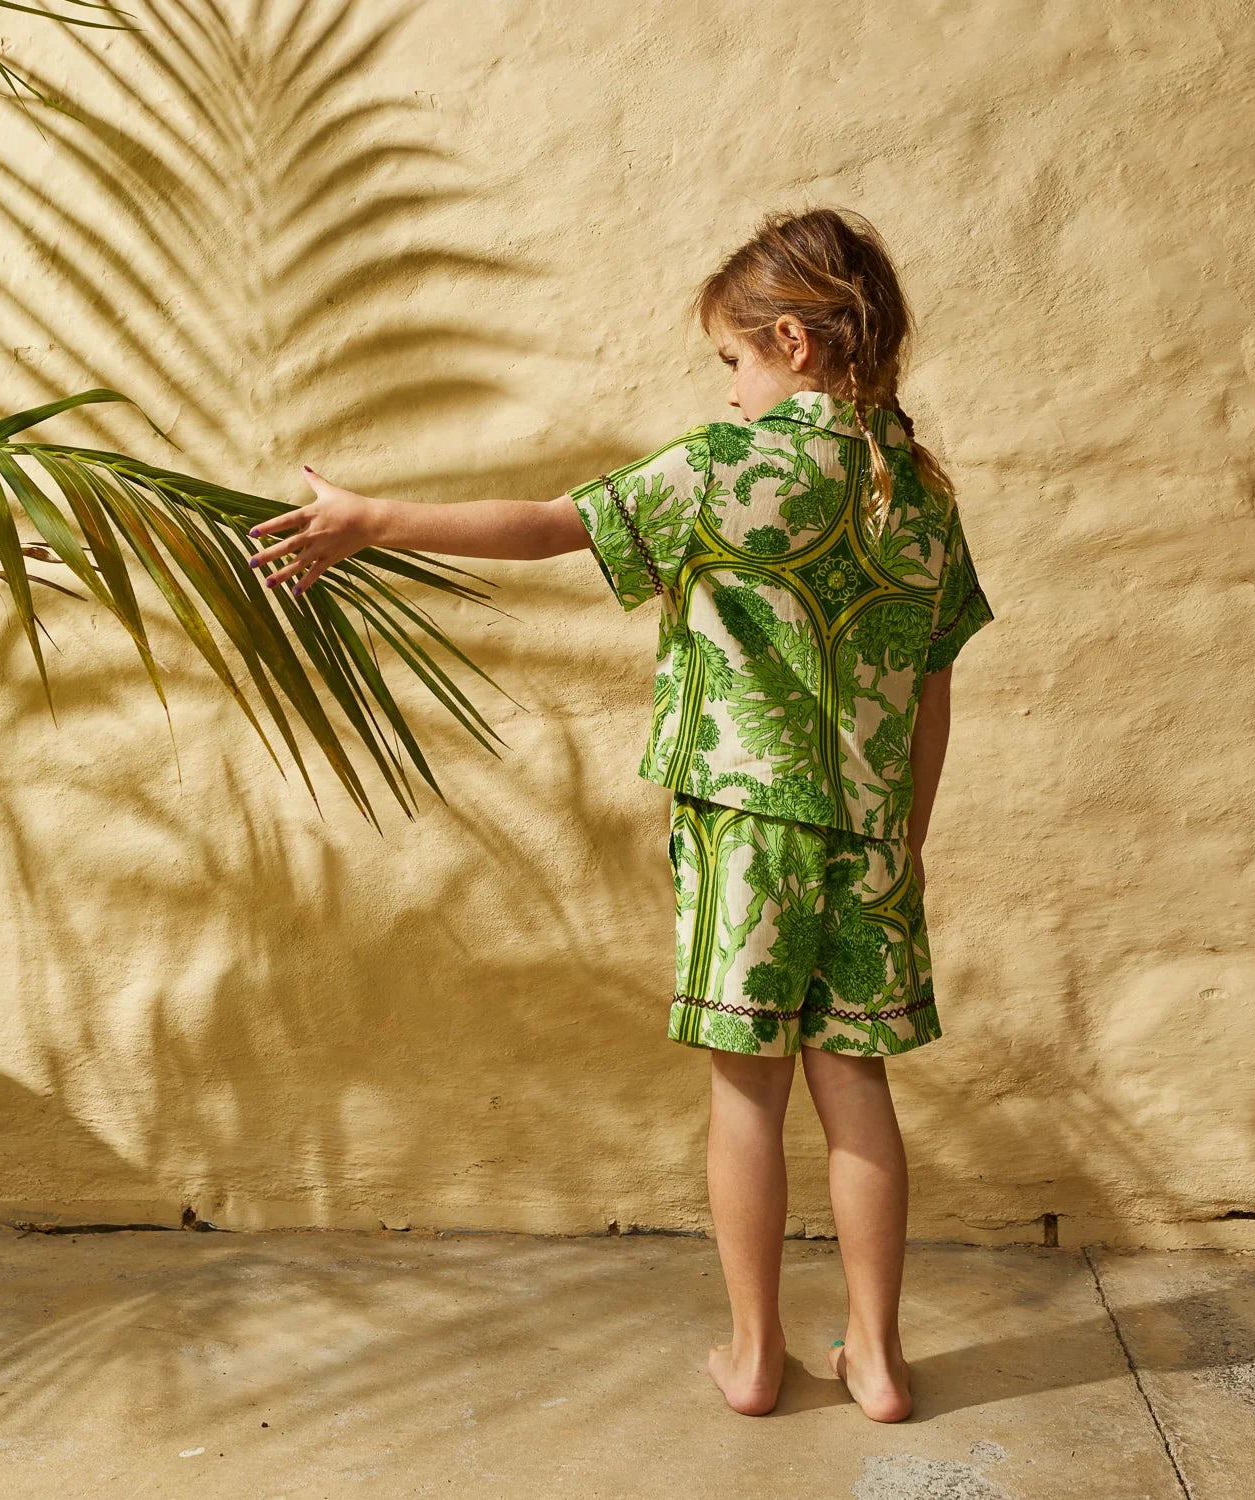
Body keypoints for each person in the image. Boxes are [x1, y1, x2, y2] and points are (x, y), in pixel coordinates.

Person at [245, 207, 996, 1424]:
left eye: (734, 362)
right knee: (857, 1083)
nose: (733, 389)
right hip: (871, 833)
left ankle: (757, 1357)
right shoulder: (920, 494)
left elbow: (552, 526)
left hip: (746, 829)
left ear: (793, 342)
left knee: (746, 1091)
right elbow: (935, 685)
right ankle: (880, 1360)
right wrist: (905, 833)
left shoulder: (728, 469)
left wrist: (373, 517)